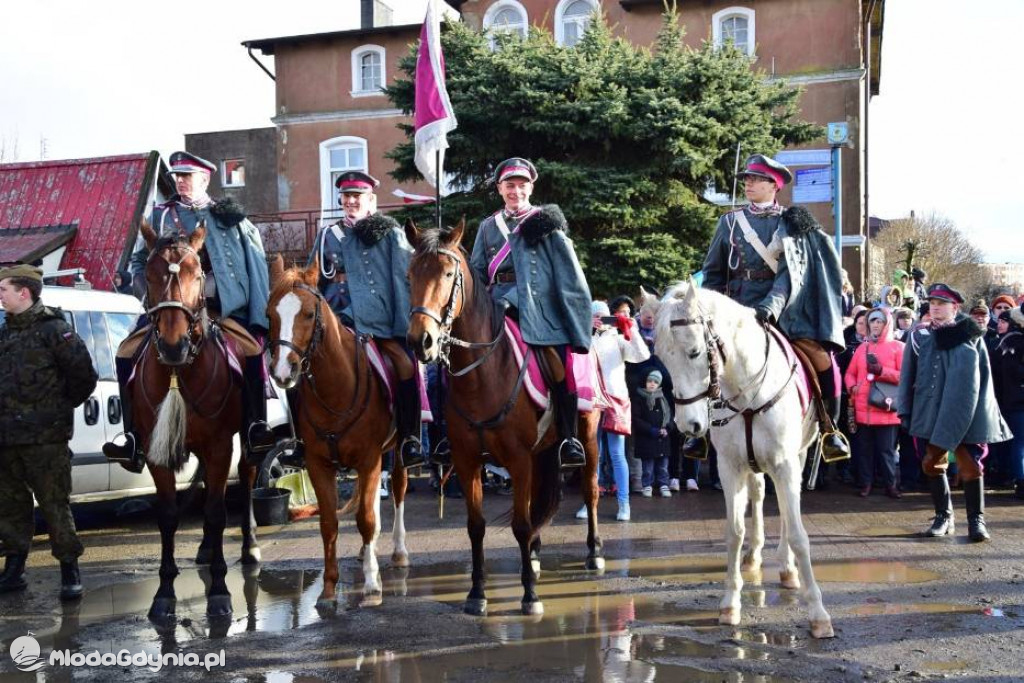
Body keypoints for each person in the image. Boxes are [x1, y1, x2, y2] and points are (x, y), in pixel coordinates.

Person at [103, 151, 275, 472]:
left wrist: (253, 313)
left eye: (188, 177)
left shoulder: (227, 217)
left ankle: (256, 429)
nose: (181, 182)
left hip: (217, 306)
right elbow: (139, 263)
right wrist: (147, 292)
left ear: (205, 180)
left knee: (251, 352)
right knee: (125, 353)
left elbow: (253, 267)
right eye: (178, 177)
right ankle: (133, 440)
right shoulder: (160, 216)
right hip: (166, 307)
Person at [702, 154, 849, 461]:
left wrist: (769, 307)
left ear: (774, 185)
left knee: (823, 360)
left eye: (755, 179)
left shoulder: (792, 223)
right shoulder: (729, 223)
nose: (748, 184)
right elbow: (714, 273)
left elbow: (790, 275)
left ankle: (829, 429)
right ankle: (700, 433)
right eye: (746, 179)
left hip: (784, 312)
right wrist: (710, 312)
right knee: (703, 360)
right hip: (735, 311)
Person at [469, 157, 593, 468]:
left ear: (531, 187)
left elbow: (567, 276)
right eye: (509, 185)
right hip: (494, 309)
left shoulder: (546, 224)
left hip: (538, 310)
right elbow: (477, 274)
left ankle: (568, 438)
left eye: (522, 185)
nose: (516, 190)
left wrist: (575, 323)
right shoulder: (487, 227)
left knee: (561, 365)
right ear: (500, 189)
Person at [307, 170, 423, 468]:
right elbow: (313, 281)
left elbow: (401, 281)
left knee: (406, 367)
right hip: (332, 318)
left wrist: (402, 327)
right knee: (302, 368)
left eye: (357, 196)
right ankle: (301, 440)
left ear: (371, 199)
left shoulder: (389, 233)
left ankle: (409, 437)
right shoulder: (327, 235)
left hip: (377, 321)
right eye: (346, 196)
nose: (351, 201)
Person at [0, 264, 98, 600]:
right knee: (10, 506)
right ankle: (14, 568)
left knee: (55, 505)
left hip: (46, 439)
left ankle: (69, 568)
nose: (0, 296)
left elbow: (84, 377)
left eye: (4, 289)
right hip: (7, 439)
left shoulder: (55, 330)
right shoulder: (5, 333)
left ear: (23, 292)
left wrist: (57, 410)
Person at [898, 283, 1012, 541]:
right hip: (928, 411)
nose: (935, 307)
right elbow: (908, 375)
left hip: (967, 412)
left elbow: (979, 382)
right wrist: (905, 409)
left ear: (955, 307)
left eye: (941, 303)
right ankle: (943, 516)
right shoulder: (919, 335)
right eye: (933, 303)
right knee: (931, 463)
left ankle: (976, 521)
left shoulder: (971, 336)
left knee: (971, 467)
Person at [576, 300, 650, 522]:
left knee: (617, 454)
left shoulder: (618, 340)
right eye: (595, 316)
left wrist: (631, 329)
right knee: (592, 455)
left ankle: (624, 504)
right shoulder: (583, 339)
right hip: (591, 401)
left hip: (616, 400)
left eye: (604, 316)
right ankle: (588, 502)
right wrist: (587, 328)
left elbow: (642, 355)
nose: (601, 321)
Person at [844, 308, 905, 498]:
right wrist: (852, 385)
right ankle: (866, 484)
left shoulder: (898, 347)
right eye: (872, 322)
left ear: (887, 323)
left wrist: (881, 371)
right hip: (863, 409)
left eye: (879, 321)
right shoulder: (863, 347)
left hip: (886, 409)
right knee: (864, 451)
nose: (876, 325)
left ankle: (891, 485)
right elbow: (850, 373)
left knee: (886, 451)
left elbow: (904, 377)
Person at [990, 306, 1024, 498]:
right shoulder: (1013, 341)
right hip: (1015, 400)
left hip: (1009, 399)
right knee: (1019, 442)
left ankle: (1015, 476)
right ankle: (1019, 479)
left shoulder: (1007, 341)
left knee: (1016, 442)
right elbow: (1012, 373)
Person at [631, 370, 673, 497]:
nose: (652, 384)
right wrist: (651, 430)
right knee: (647, 467)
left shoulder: (663, 398)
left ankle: (663, 484)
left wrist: (668, 428)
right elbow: (636, 419)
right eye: (649, 381)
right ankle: (647, 485)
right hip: (647, 438)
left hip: (662, 438)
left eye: (655, 382)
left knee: (663, 466)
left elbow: (670, 416)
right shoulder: (639, 398)